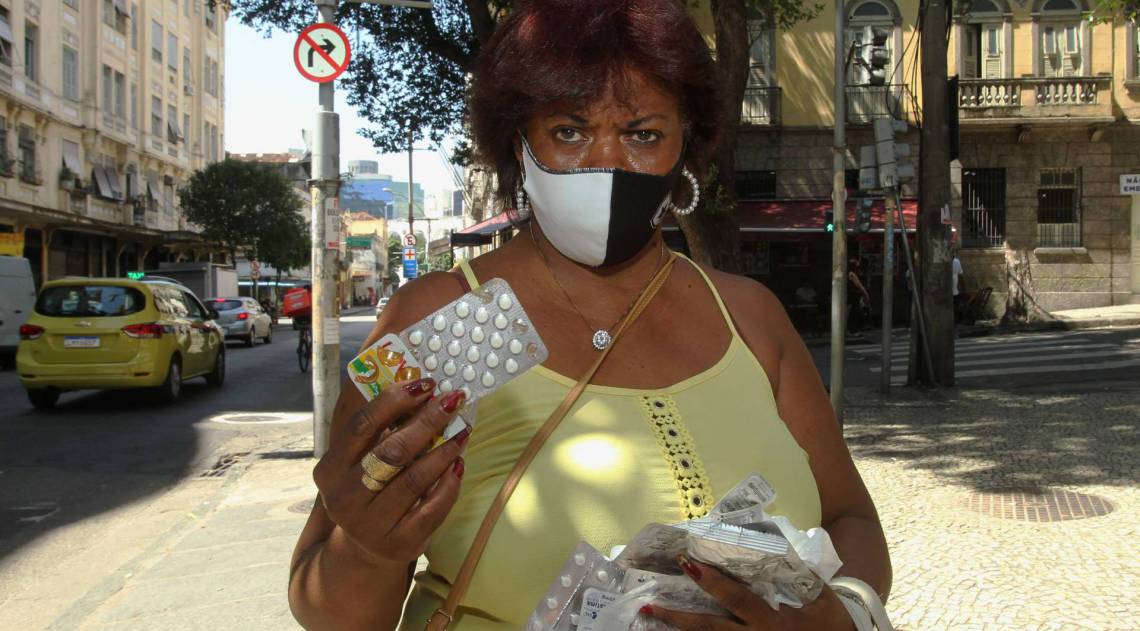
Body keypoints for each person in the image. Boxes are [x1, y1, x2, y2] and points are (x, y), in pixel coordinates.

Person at [287, 2, 891, 629]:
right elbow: (329, 609)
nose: (607, 162)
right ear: (518, 142)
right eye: (569, 132)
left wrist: (843, 615)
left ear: (686, 144)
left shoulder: (750, 317)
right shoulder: (446, 318)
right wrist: (367, 549)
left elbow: (849, 517)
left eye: (643, 135)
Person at [847, 258, 872, 334]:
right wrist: (865, 293)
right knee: (854, 312)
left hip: (855, 296)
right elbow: (859, 285)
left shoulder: (854, 273)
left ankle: (854, 329)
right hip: (853, 296)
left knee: (856, 311)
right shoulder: (852, 274)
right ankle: (852, 330)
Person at [952, 252, 965, 322]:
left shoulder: (957, 262)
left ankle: (955, 322)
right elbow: (960, 276)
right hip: (949, 292)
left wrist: (963, 288)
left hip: (955, 291)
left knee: (955, 308)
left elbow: (960, 276)